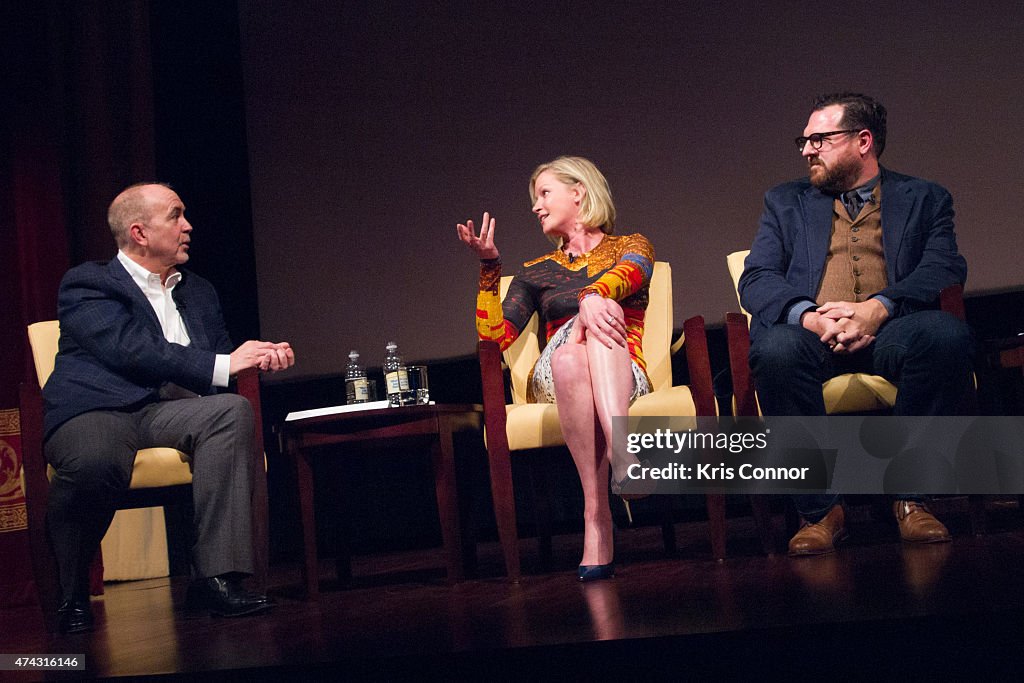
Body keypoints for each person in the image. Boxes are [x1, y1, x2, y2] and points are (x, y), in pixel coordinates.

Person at [42, 183, 295, 633]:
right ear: (139, 232)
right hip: (99, 410)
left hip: (169, 414)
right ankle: (71, 587)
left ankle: (216, 578)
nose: (188, 226)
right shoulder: (89, 283)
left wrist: (256, 357)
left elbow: (218, 360)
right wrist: (225, 362)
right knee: (98, 460)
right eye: (176, 216)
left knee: (232, 411)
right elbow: (130, 350)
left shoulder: (198, 291)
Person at [739, 93, 973, 556]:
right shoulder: (784, 202)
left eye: (819, 139)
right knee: (775, 351)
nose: (807, 150)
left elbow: (944, 266)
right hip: (813, 334)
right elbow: (758, 276)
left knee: (947, 336)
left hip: (892, 328)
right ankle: (821, 511)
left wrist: (879, 307)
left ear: (863, 141)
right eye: (804, 141)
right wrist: (808, 317)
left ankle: (912, 498)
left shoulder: (925, 197)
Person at [457, 156, 654, 582]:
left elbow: (630, 275)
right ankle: (623, 453)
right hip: (556, 379)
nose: (535, 207)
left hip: (624, 371)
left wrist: (591, 300)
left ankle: (596, 516)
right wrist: (490, 269)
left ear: (578, 191)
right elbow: (493, 339)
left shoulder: (632, 246)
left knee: (591, 321)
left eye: (544, 194)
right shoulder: (534, 273)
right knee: (570, 349)